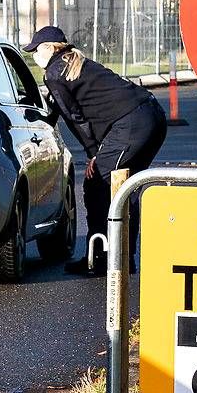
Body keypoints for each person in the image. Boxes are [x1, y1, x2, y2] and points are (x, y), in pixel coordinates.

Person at [23, 25, 167, 275]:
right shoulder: (75, 63)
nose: (34, 57)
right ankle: (122, 259)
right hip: (151, 116)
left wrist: (93, 153)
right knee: (125, 188)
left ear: (48, 49)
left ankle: (100, 258)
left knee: (97, 184)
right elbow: (63, 106)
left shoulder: (54, 73)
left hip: (132, 124)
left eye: (35, 51)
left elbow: (75, 117)